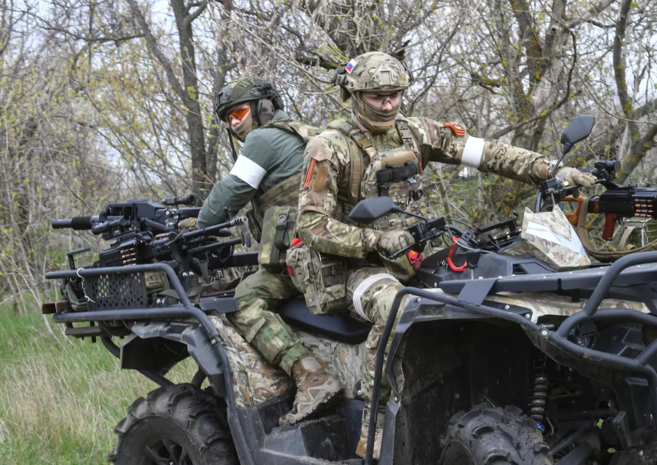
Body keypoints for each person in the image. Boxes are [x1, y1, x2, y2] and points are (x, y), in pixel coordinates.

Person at [292, 51, 597, 457]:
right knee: (395, 307)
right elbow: (310, 224)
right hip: (356, 269)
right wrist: (372, 241)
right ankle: (374, 425)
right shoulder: (329, 148)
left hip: (412, 256)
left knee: (493, 290)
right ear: (355, 94)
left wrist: (550, 171)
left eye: (395, 95)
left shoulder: (417, 133)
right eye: (377, 97)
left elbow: (489, 153)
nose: (388, 104)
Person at [196, 77, 342, 426]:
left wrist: (196, 227)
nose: (234, 123)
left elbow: (230, 194)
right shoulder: (305, 133)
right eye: (228, 118)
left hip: (307, 261)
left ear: (264, 109)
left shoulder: (262, 139)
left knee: (243, 297)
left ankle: (311, 377)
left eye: (240, 112)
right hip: (334, 252)